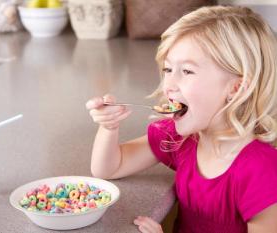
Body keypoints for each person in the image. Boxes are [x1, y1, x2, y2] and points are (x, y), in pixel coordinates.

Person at [85, 5, 277, 233]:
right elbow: (108, 168)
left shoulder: (262, 171)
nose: (169, 85)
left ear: (236, 88)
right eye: (167, 70)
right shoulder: (177, 138)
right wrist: (109, 127)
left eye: (187, 71)